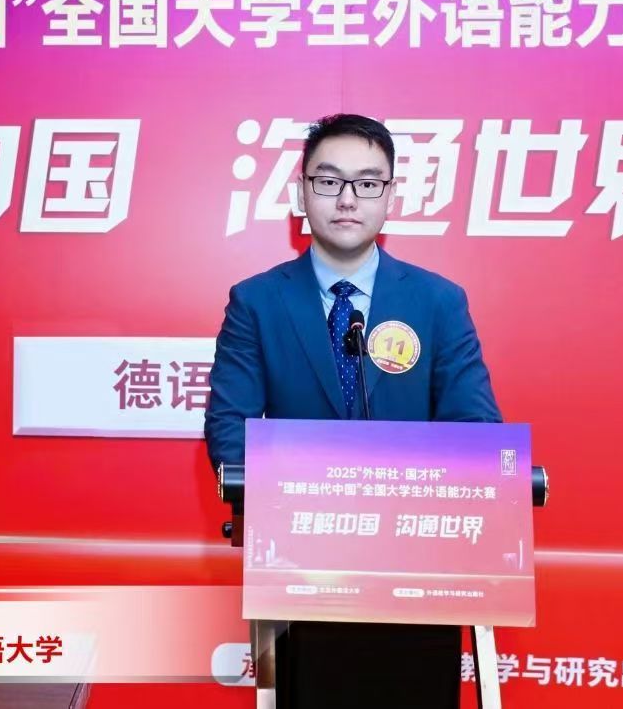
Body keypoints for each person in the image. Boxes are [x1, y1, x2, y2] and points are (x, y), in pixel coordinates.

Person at [204, 113, 501, 708]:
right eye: (329, 180)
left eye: (367, 183)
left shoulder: (438, 302)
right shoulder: (257, 301)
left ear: (390, 196)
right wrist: (286, 507)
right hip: (303, 569)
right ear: (302, 192)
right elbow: (230, 428)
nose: (347, 198)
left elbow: (475, 431)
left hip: (416, 572)